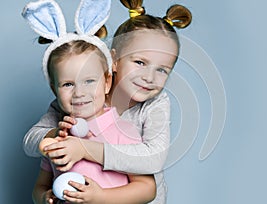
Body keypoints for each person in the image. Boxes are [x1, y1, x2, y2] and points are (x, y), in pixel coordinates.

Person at [23, 0, 192, 203]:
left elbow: (152, 159)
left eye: (162, 70)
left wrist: (83, 149)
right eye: (140, 62)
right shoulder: (83, 96)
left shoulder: (154, 105)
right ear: (114, 61)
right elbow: (31, 142)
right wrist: (54, 136)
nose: (149, 77)